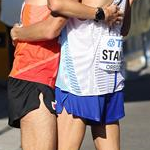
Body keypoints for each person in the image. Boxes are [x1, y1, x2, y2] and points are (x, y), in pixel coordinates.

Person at [9, 0, 124, 150]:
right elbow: (52, 25)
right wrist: (102, 13)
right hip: (37, 75)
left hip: (73, 76)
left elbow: (123, 27)